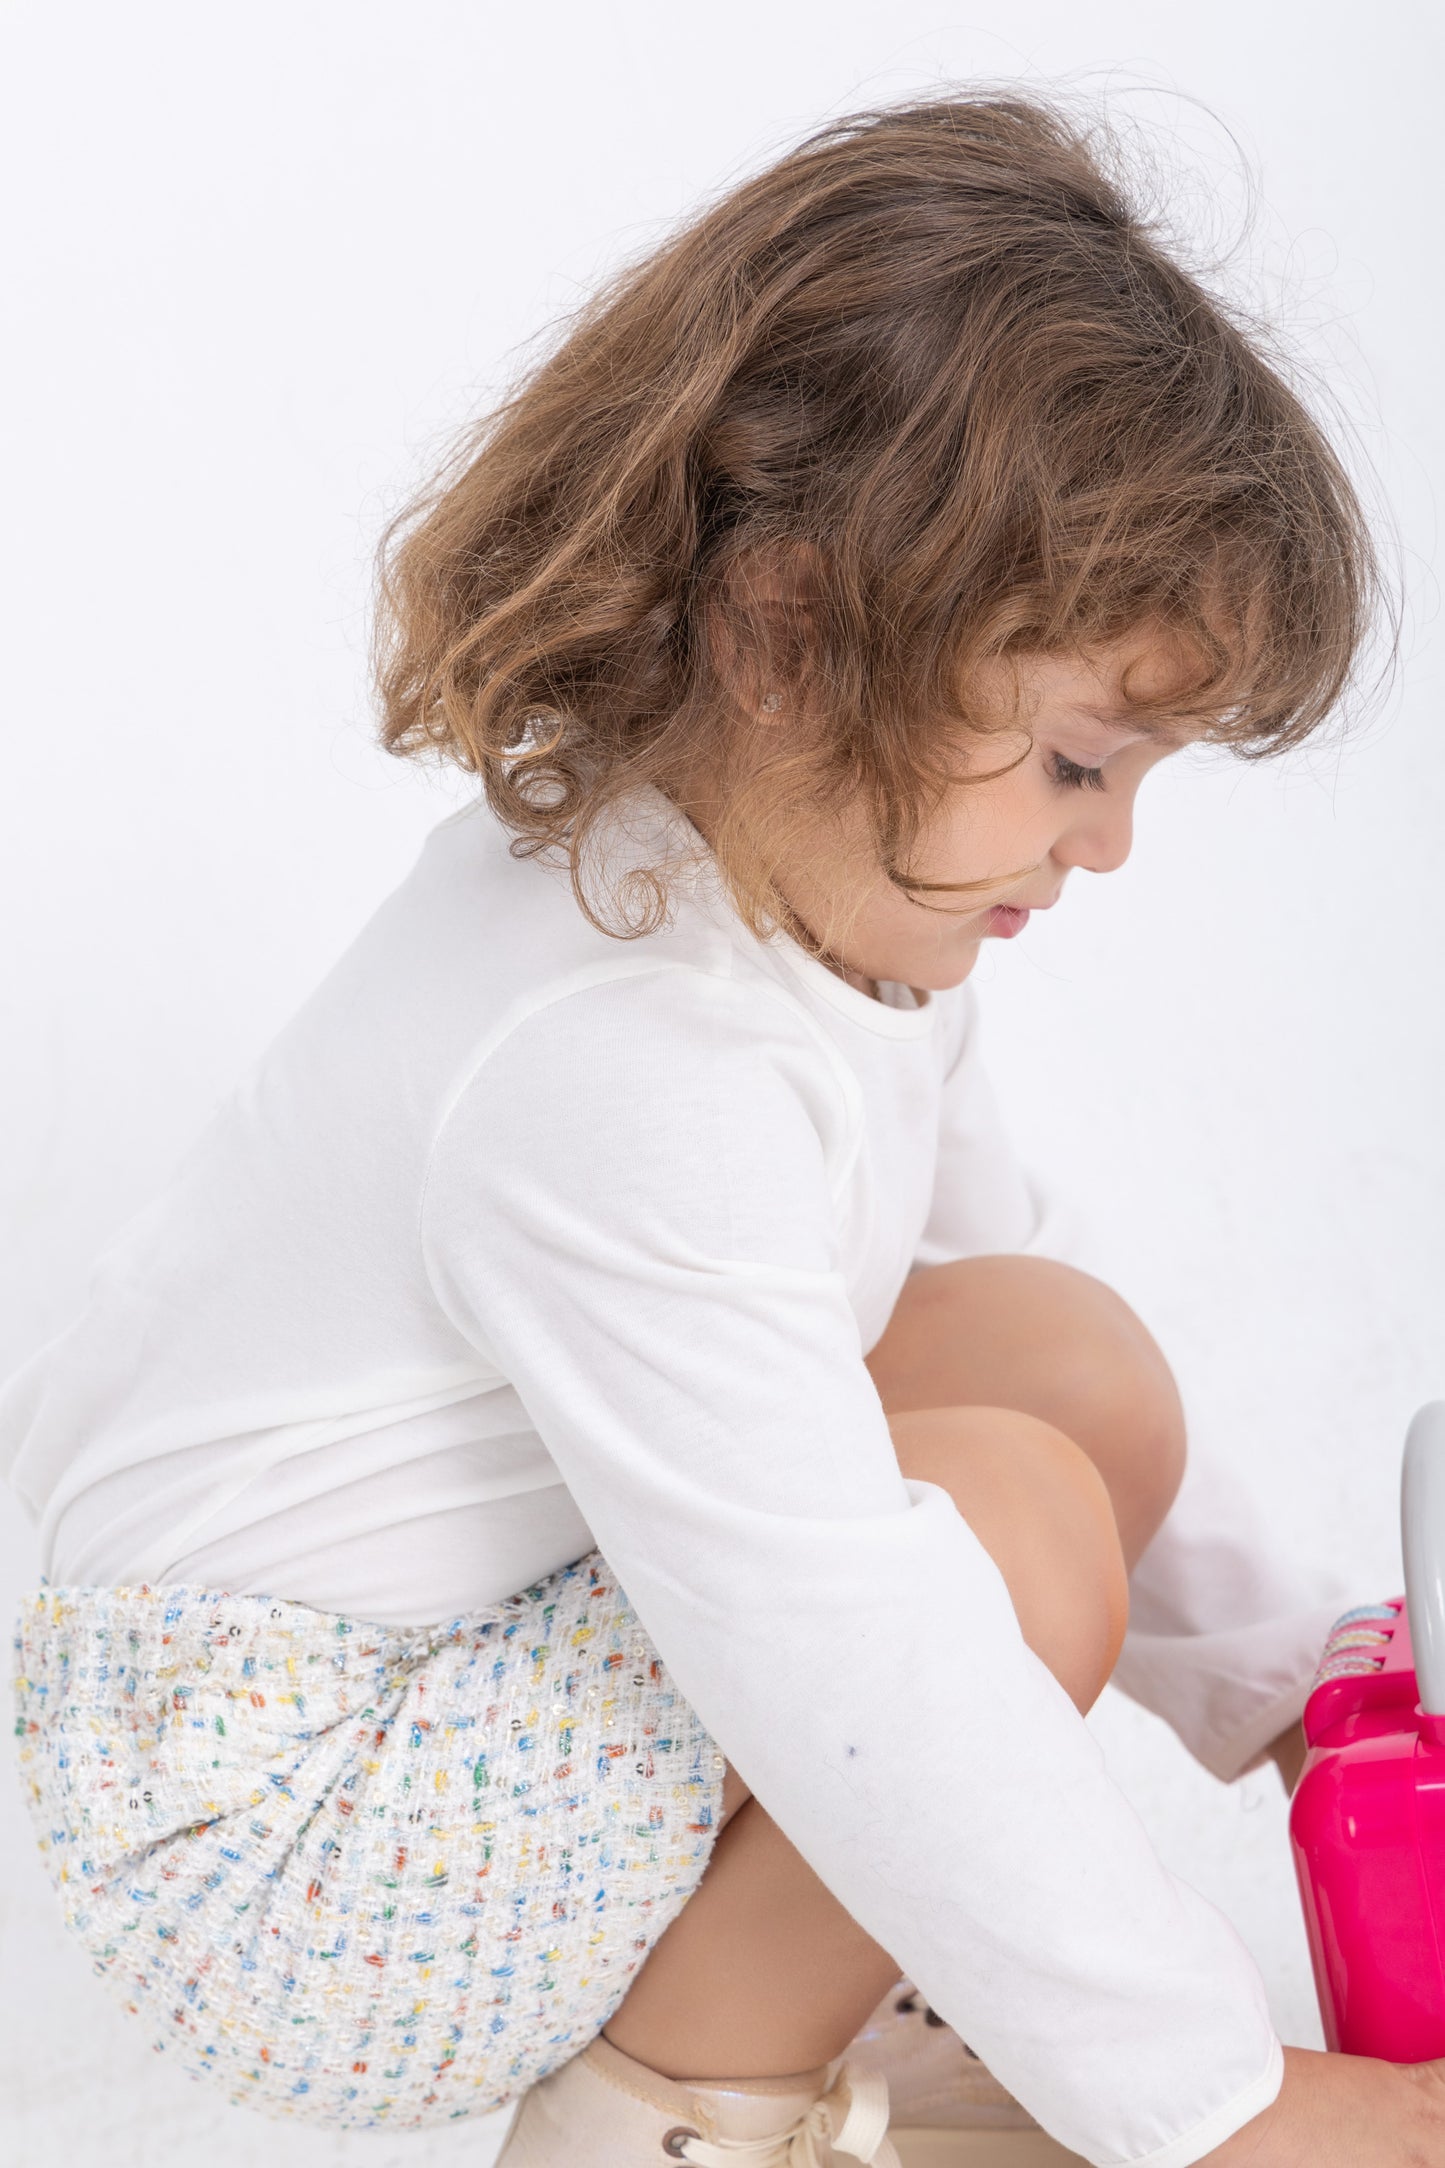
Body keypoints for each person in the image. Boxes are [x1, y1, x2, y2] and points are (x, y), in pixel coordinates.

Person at [5, 90, 1441, 2168]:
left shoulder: (843, 907)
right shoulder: (618, 1061)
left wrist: (1308, 1680)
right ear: (792, 639)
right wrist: (1222, 2109)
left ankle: (851, 1974)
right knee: (1000, 1545)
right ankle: (675, 2111)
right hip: (288, 1841)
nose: (1110, 843)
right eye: (1071, 762)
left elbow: (989, 1304)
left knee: (1060, 1371)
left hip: (430, 1671)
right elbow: (847, 1638)